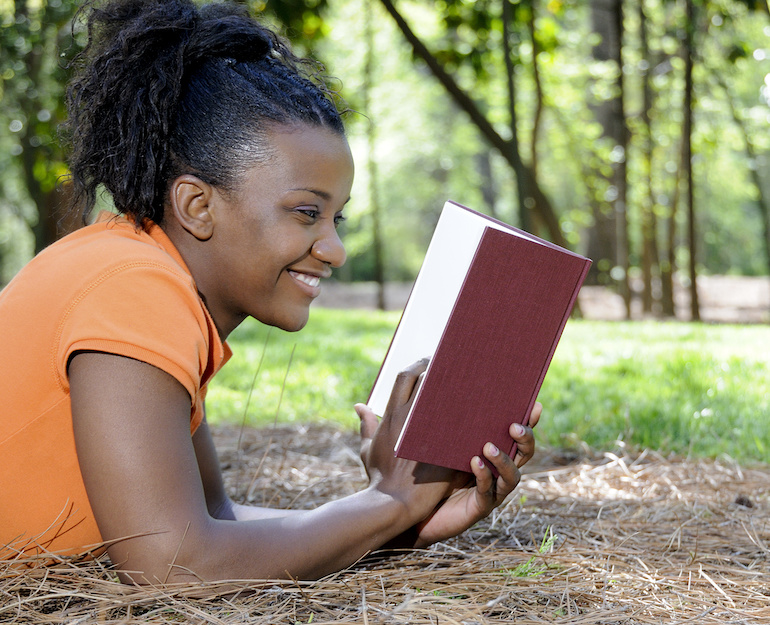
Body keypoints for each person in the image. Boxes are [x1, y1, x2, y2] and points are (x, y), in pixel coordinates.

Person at [0, 0, 541, 585]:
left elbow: (214, 523)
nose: (333, 248)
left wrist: (398, 523)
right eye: (306, 212)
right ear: (197, 206)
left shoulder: (143, 279)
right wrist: (388, 503)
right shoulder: (134, 289)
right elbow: (173, 565)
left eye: (337, 219)